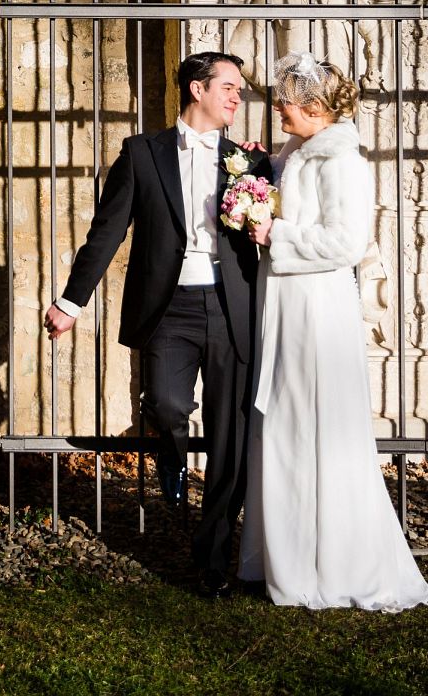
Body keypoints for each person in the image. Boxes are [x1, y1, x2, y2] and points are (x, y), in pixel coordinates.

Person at [45, 51, 273, 599]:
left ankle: (212, 558)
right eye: (229, 86)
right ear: (196, 89)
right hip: (168, 308)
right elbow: (106, 233)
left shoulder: (250, 162)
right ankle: (169, 450)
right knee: (167, 405)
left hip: (230, 309)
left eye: (239, 89)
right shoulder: (141, 153)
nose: (237, 97)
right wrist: (71, 303)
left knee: (230, 441)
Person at [236, 51, 428, 611]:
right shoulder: (297, 151)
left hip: (317, 308)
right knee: (284, 421)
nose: (277, 104)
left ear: (314, 107)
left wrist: (275, 233)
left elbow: (345, 242)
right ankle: (286, 557)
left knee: (316, 422)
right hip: (286, 300)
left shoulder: (341, 159)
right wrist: (258, 178)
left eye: (286, 98)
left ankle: (332, 561)